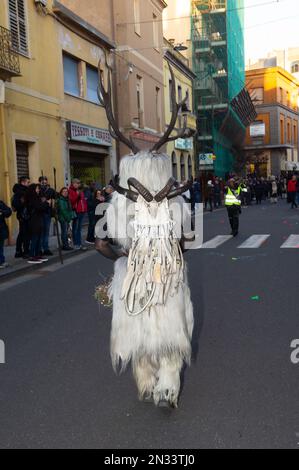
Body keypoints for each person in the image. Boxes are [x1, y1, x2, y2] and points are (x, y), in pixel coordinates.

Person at [25, 184, 50, 264]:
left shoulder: (37, 198)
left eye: (39, 189)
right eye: (37, 189)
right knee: (35, 239)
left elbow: (41, 208)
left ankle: (37, 254)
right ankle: (32, 256)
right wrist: (46, 203)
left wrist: (44, 203)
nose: (38, 190)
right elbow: (39, 207)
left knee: (39, 238)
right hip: (34, 221)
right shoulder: (31, 199)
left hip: (38, 220)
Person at [11, 176, 30, 258]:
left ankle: (19, 251)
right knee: (25, 234)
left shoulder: (24, 191)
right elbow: (16, 205)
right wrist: (23, 203)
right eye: (27, 182)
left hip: (24, 215)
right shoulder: (19, 192)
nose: (28, 184)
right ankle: (25, 252)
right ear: (23, 182)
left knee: (22, 233)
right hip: (23, 215)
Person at [38, 176, 56, 256]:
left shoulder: (50, 190)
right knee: (40, 231)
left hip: (48, 213)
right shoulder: (37, 189)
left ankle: (46, 248)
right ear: (39, 182)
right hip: (39, 213)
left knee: (46, 231)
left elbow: (57, 196)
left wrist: (53, 200)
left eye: (45, 181)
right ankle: (39, 249)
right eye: (42, 181)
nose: (44, 183)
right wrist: (45, 201)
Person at [68, 179, 88, 250]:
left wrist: (85, 209)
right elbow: (72, 201)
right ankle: (76, 244)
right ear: (73, 183)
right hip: (76, 211)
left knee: (79, 229)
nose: (78, 184)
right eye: (76, 183)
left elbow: (83, 201)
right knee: (75, 228)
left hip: (82, 211)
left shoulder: (80, 190)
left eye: (79, 183)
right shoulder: (70, 191)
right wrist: (78, 195)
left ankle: (79, 244)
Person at [0, 199, 12, 269]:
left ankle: (1, 261)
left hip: (1, 228)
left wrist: (2, 212)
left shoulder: (0, 203)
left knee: (1, 246)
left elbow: (9, 211)